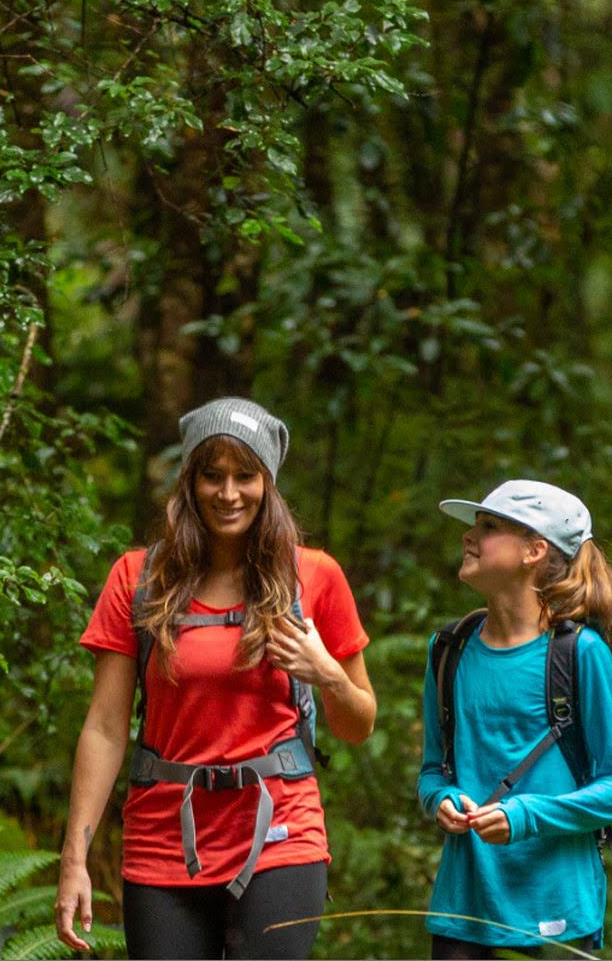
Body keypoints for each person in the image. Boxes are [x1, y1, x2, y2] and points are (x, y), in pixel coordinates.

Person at [54, 397, 376, 959]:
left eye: (245, 476)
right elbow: (105, 728)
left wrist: (327, 675)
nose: (229, 494)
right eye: (212, 476)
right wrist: (74, 860)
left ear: (267, 483)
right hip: (162, 840)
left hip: (281, 835)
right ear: (190, 482)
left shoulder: (314, 577)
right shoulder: (138, 578)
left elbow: (358, 724)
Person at [419, 480, 612, 960]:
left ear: (534, 550)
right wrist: (441, 800)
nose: (469, 536)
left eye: (488, 527)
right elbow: (432, 772)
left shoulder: (579, 655)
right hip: (463, 910)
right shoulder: (448, 651)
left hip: (554, 914)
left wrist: (524, 815)